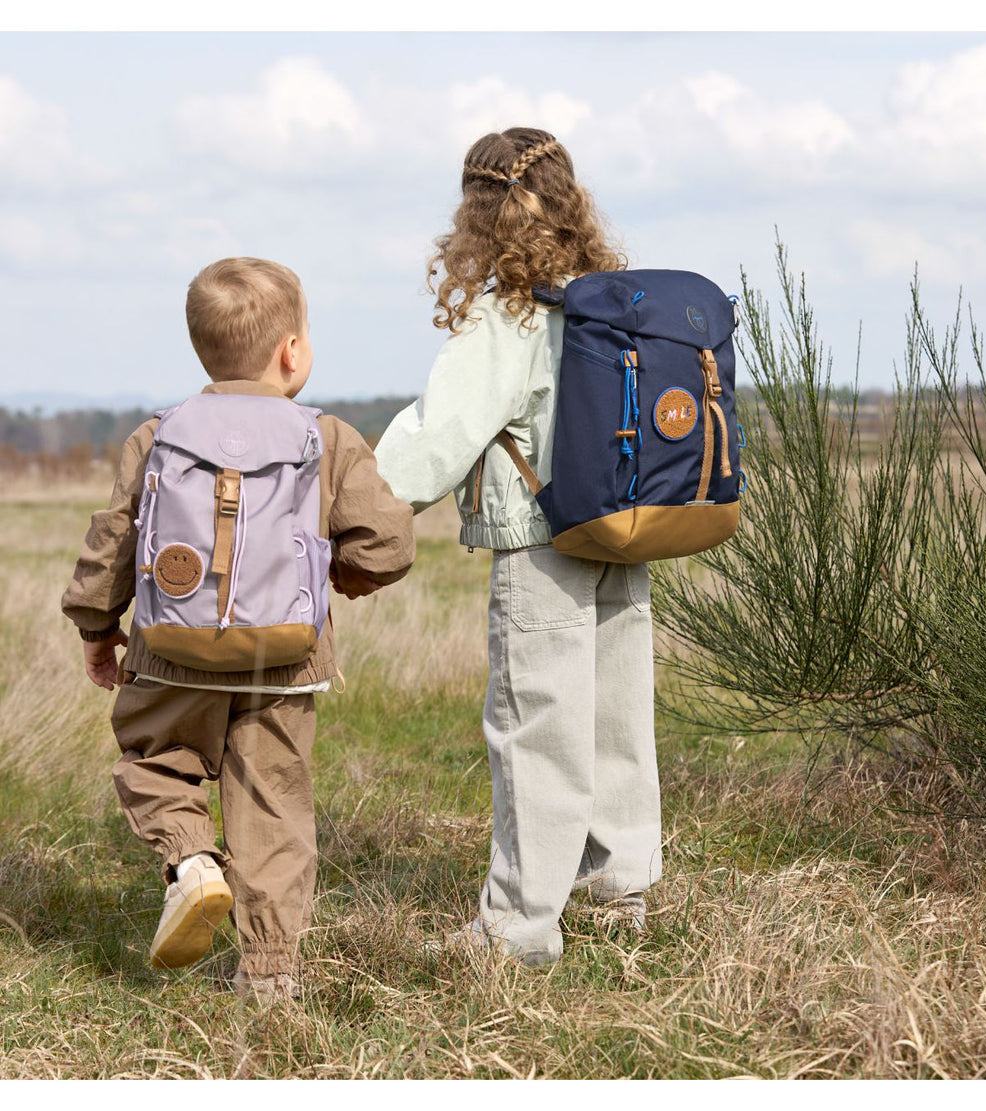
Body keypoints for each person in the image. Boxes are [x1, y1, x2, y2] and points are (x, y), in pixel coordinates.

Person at [62, 257, 415, 999]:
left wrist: (98, 626)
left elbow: (113, 540)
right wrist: (334, 577)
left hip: (167, 652)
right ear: (293, 351)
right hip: (282, 661)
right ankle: (270, 972)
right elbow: (390, 543)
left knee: (155, 762)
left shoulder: (157, 434)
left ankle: (192, 862)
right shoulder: (328, 436)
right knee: (274, 802)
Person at [375, 127, 661, 967]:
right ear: (573, 201)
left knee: (537, 730)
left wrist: (349, 503)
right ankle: (620, 898)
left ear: (478, 211)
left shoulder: (508, 316)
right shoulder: (614, 303)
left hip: (542, 541)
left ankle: (516, 932)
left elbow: (438, 437)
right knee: (616, 723)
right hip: (624, 534)